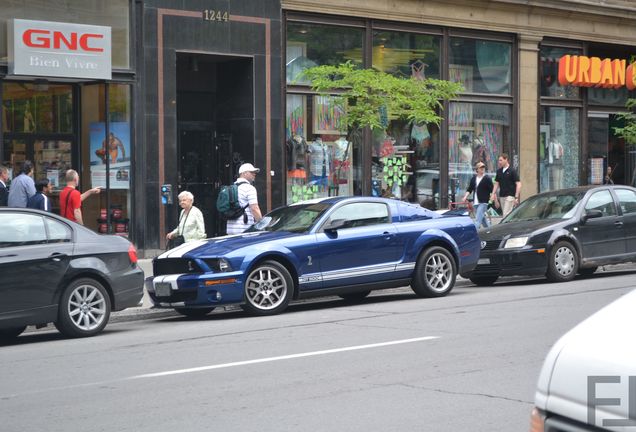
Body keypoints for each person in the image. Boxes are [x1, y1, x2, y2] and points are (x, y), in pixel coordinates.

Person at [226, 163, 263, 234]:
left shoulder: (231, 187)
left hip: (230, 228)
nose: (254, 174)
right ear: (244, 173)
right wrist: (261, 225)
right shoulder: (249, 188)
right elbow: (254, 208)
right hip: (244, 229)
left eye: (254, 172)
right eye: (252, 172)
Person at [462, 162, 494, 229]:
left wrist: (495, 200)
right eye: (481, 167)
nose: (482, 169)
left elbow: (492, 190)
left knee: (477, 220)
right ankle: (490, 231)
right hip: (476, 202)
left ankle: (474, 235)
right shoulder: (474, 178)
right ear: (477, 169)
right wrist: (465, 197)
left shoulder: (487, 178)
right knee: (483, 220)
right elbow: (469, 189)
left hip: (483, 202)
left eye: (483, 167)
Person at [491, 153, 521, 218]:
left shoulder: (512, 171)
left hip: (510, 196)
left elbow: (518, 184)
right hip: (502, 196)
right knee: (507, 215)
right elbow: (496, 183)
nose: (499, 162)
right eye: (499, 160)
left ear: (506, 159)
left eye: (501, 160)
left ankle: (505, 227)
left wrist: (516, 197)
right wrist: (493, 194)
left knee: (505, 214)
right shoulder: (499, 171)